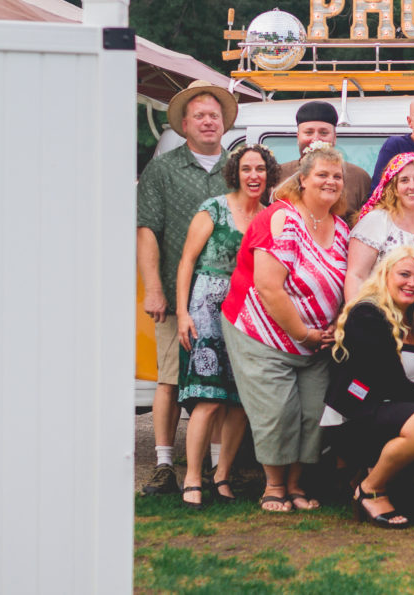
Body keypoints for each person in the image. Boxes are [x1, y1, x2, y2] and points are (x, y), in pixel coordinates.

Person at [219, 142, 349, 513]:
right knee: (277, 412)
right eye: (322, 174)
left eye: (336, 176)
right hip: (262, 332)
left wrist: (329, 329)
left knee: (311, 415)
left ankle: (296, 485)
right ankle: (273, 486)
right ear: (303, 180)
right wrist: (304, 332)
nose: (330, 181)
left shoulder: (340, 227)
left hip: (316, 344)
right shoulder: (281, 218)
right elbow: (268, 287)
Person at [137, 79, 238, 496]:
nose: (208, 121)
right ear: (183, 123)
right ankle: (164, 466)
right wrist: (153, 289)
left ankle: (218, 471)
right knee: (170, 378)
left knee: (221, 384)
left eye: (214, 115)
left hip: (228, 298)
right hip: (177, 296)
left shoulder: (237, 166)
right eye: (199, 115)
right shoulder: (162, 169)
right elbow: (147, 232)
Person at [323, 247, 414, 527]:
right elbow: (389, 381)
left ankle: (386, 478)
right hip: (360, 415)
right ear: (385, 275)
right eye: (404, 274)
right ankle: (371, 489)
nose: (411, 283)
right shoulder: (366, 313)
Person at [175, 145, 279, 507]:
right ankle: (191, 478)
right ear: (236, 172)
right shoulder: (213, 209)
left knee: (238, 401)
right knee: (208, 398)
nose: (254, 176)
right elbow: (187, 261)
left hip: (246, 311)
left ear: (269, 175)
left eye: (261, 169)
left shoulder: (269, 216)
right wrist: (183, 313)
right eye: (247, 169)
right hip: (205, 307)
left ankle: (222, 477)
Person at [345, 153, 414, 305]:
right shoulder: (376, 221)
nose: (412, 186)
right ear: (394, 188)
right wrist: (357, 318)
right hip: (380, 317)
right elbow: (356, 275)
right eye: (404, 180)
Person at [277, 101, 371, 219]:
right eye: (308, 132)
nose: (316, 139)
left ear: (334, 138)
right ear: (298, 137)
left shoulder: (359, 178)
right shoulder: (279, 174)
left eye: (323, 133)